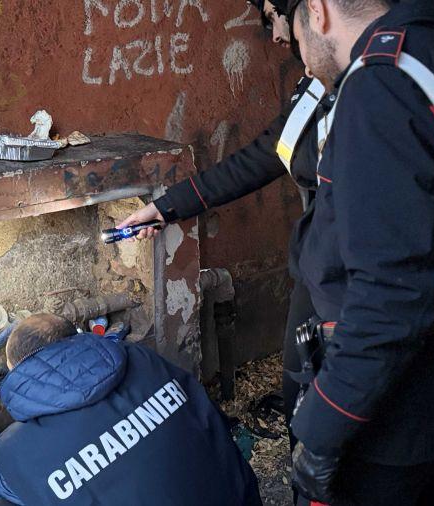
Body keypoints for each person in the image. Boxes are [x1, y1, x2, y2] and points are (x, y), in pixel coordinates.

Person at [277, 0, 434, 504]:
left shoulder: (379, 85)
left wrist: (322, 432)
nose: (303, 60)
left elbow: (389, 298)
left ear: (319, 13)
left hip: (381, 417)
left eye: (297, 35)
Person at [117, 0, 328, 463]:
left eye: (274, 16)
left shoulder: (382, 90)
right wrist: (167, 208)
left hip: (355, 296)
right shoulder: (317, 89)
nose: (275, 37)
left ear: (316, 11)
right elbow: (261, 158)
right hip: (317, 272)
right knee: (301, 396)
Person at [0, 313, 262, 505]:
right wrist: (26, 376)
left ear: (15, 366)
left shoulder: (18, 449)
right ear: (78, 338)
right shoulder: (144, 360)